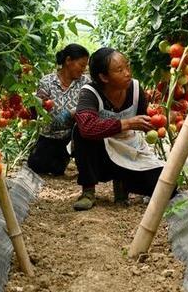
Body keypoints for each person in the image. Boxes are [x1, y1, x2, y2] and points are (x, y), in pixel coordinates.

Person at [71, 47, 163, 211]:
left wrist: (160, 120)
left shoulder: (135, 89)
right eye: (119, 70)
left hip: (127, 149)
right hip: (100, 155)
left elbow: (145, 120)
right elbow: (87, 127)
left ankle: (123, 187)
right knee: (80, 131)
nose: (127, 73)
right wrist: (126, 123)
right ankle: (88, 190)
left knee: (166, 187)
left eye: (127, 67)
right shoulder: (90, 93)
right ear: (104, 77)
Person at [26, 44, 90, 176]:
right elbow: (39, 109)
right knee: (37, 166)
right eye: (81, 65)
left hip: (71, 136)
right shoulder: (48, 81)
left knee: (59, 165)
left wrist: (71, 113)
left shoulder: (85, 83)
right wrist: (38, 105)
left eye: (85, 66)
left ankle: (83, 164)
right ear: (68, 61)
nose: (83, 70)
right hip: (49, 134)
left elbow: (89, 106)